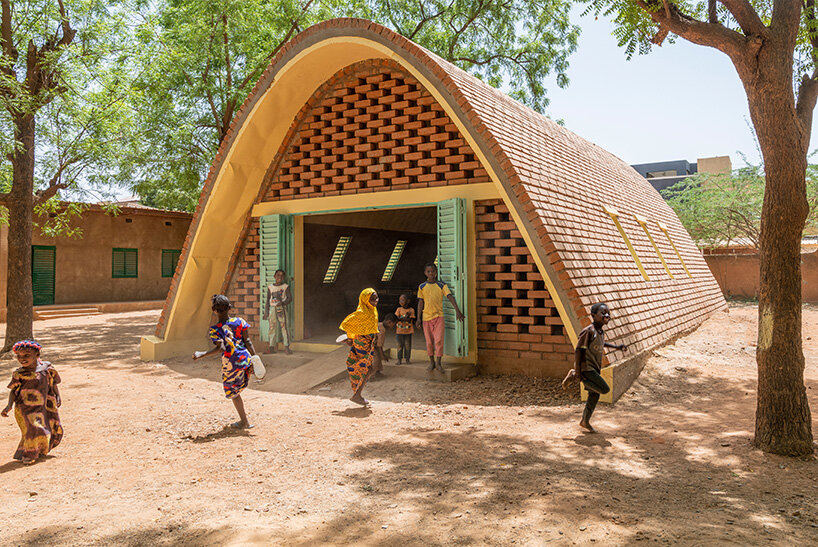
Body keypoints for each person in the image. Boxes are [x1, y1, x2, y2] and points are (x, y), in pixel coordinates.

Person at [192, 294, 258, 429]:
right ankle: (248, 372)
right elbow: (248, 341)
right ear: (230, 308)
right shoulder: (240, 322)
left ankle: (244, 421)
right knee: (240, 383)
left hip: (231, 363)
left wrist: (202, 354)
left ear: (213, 310)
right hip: (245, 358)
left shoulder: (215, 330)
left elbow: (221, 348)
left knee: (234, 393)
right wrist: (256, 359)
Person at [561, 302, 627, 433]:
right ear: (593, 315)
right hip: (587, 368)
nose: (607, 315)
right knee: (604, 389)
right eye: (603, 313)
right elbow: (579, 350)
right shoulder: (588, 331)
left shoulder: (600, 332)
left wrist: (616, 347)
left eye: (608, 313)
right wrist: (578, 372)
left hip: (594, 368)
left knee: (594, 395)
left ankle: (585, 421)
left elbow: (601, 343)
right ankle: (574, 376)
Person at [2, 340, 63, 464]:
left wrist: (57, 395)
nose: (22, 359)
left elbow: (53, 383)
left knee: (48, 426)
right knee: (33, 428)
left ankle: (39, 449)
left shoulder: (47, 369)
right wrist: (9, 405)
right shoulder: (19, 374)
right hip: (25, 408)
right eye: (19, 356)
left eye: (26, 355)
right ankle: (30, 454)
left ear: (37, 355)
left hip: (44, 405)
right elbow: (13, 391)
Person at [416, 263, 465, 372]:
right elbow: (420, 302)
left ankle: (438, 363)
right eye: (428, 271)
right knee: (429, 342)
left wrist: (457, 311)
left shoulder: (441, 285)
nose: (431, 273)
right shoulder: (422, 286)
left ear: (436, 272)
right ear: (425, 273)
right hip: (426, 318)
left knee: (439, 341)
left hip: (439, 317)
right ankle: (432, 362)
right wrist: (418, 318)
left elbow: (450, 296)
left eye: (433, 271)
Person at [339, 288, 380, 406]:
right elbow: (347, 323)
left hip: (368, 343)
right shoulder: (362, 312)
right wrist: (350, 338)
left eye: (376, 298)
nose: (375, 301)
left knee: (368, 368)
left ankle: (357, 394)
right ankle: (357, 395)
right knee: (368, 368)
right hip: (362, 343)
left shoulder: (372, 310)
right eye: (372, 299)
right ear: (365, 300)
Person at [265, 269, 293, 355]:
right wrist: (266, 312)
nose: (279, 277)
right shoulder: (270, 287)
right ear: (274, 276)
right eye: (278, 275)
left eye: (281, 276)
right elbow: (268, 300)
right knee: (272, 327)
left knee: (284, 327)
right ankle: (271, 347)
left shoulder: (285, 286)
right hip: (272, 309)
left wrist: (283, 303)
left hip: (281, 308)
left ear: (283, 277)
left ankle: (287, 347)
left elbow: (290, 298)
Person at [371, 313, 398, 379]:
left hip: (370, 343)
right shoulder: (382, 330)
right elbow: (379, 345)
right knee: (376, 358)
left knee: (378, 356)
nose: (393, 326)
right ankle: (371, 376)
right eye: (393, 324)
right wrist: (383, 355)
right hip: (368, 344)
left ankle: (377, 372)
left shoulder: (379, 324)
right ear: (389, 322)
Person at [394, 293, 415, 364]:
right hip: (399, 331)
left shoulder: (411, 310)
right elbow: (397, 318)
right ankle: (399, 359)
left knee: (407, 346)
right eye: (400, 300)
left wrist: (403, 318)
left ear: (408, 301)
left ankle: (407, 359)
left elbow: (410, 320)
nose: (400, 302)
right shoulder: (399, 309)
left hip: (408, 331)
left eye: (402, 300)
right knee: (399, 345)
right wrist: (406, 316)